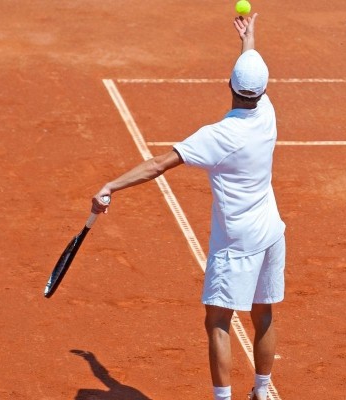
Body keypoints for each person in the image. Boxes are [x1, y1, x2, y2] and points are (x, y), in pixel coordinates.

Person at [91, 13, 285, 400]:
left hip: (235, 242)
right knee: (262, 314)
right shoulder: (267, 114)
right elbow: (249, 83)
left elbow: (157, 164)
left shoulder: (217, 136)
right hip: (271, 231)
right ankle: (261, 392)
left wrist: (111, 185)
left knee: (217, 322)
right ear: (263, 91)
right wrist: (249, 41)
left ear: (228, 85)